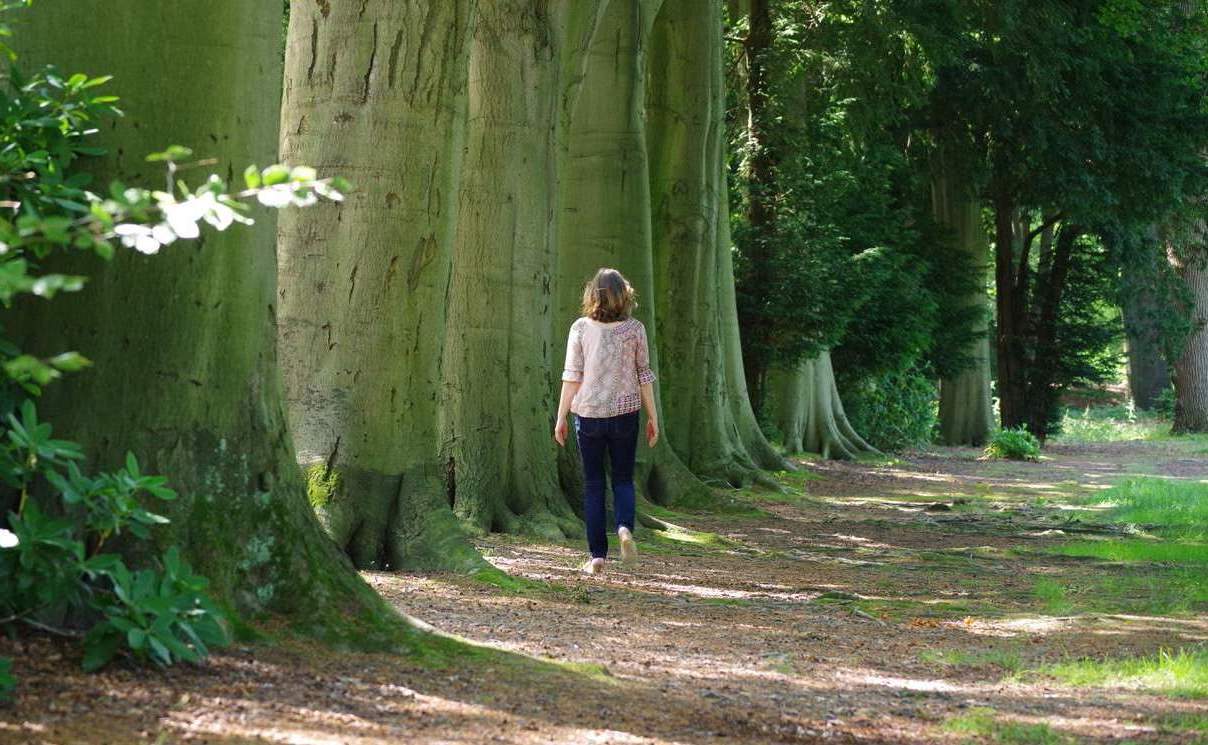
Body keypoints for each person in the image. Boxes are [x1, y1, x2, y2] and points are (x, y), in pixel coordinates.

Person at [553, 268, 659, 575]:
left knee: (593, 484)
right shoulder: (635, 329)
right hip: (626, 413)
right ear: (624, 295)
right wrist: (652, 416)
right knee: (623, 479)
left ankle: (597, 556)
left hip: (588, 415)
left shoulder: (580, 329)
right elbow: (644, 376)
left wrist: (561, 417)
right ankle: (625, 528)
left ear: (592, 295)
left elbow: (572, 377)